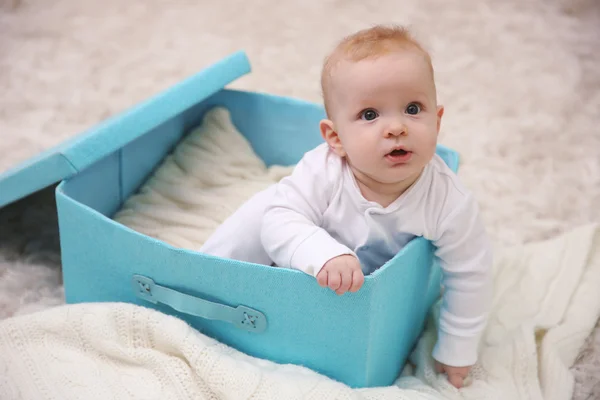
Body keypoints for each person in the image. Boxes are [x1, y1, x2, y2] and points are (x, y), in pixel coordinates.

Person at [200, 25, 493, 389]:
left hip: (359, 289)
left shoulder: (448, 200)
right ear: (336, 138)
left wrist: (458, 348)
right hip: (308, 247)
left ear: (438, 119)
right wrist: (322, 253)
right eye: (370, 115)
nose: (396, 127)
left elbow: (470, 273)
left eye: (413, 109)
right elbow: (280, 220)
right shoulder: (322, 171)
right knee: (262, 210)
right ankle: (204, 276)